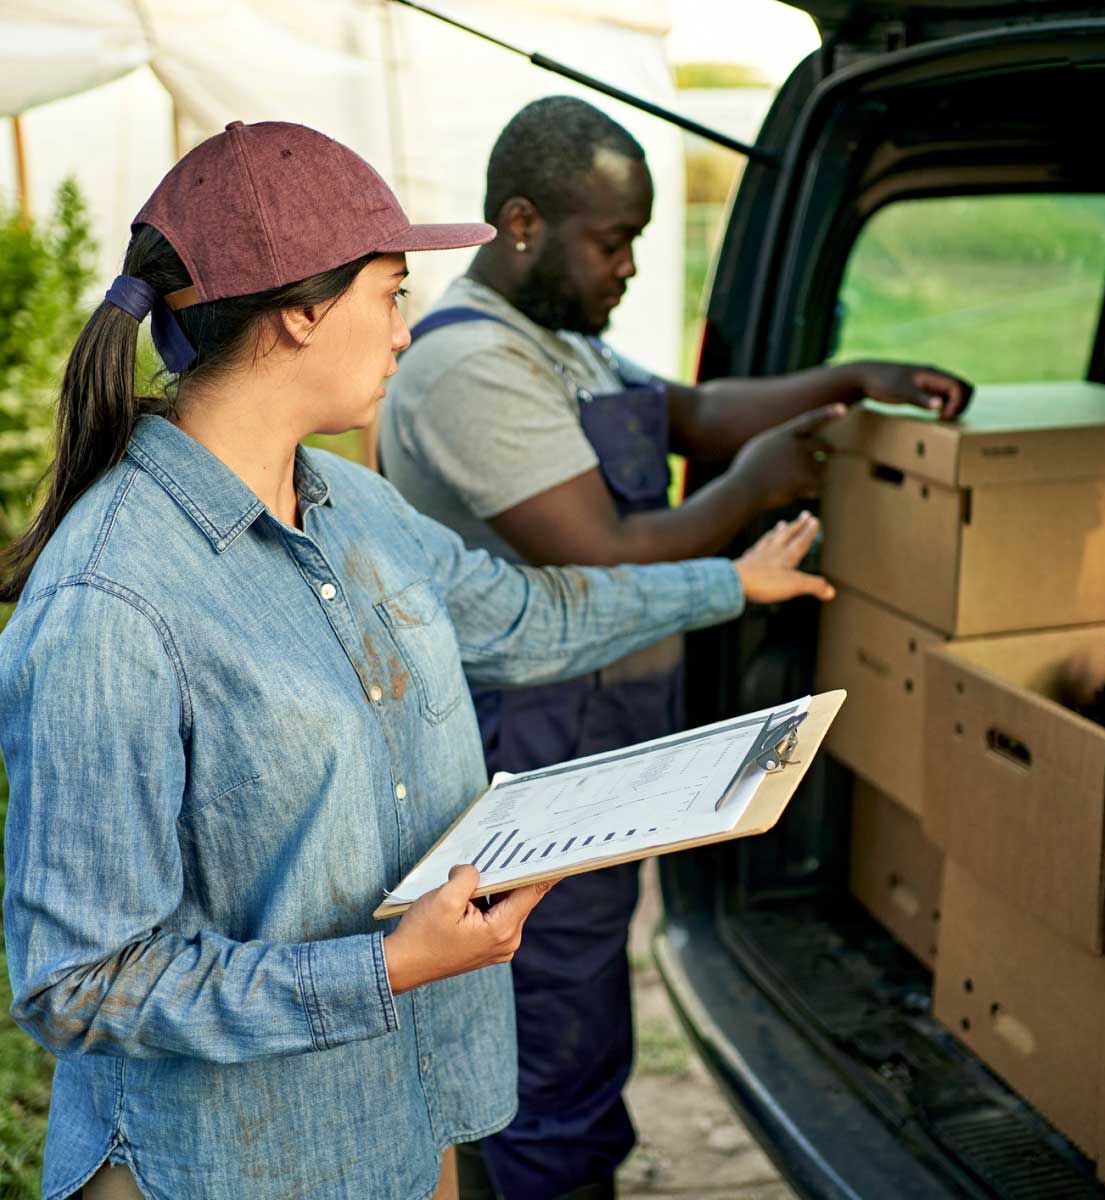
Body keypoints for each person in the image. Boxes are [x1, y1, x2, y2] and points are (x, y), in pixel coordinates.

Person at [0, 120, 836, 1200]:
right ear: (303, 310)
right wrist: (387, 969)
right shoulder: (111, 599)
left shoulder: (358, 508)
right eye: (393, 292)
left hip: (407, 1120)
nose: (407, 330)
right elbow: (81, 984)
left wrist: (731, 584)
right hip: (231, 1164)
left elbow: (526, 615)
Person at [377, 96, 972, 1200]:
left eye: (639, 240)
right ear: (521, 223)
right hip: (527, 745)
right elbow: (603, 550)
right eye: (614, 241)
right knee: (544, 1025)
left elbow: (694, 412)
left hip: (596, 735)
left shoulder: (565, 344)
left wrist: (855, 379)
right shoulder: (470, 367)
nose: (632, 267)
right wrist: (757, 492)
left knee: (582, 1001)